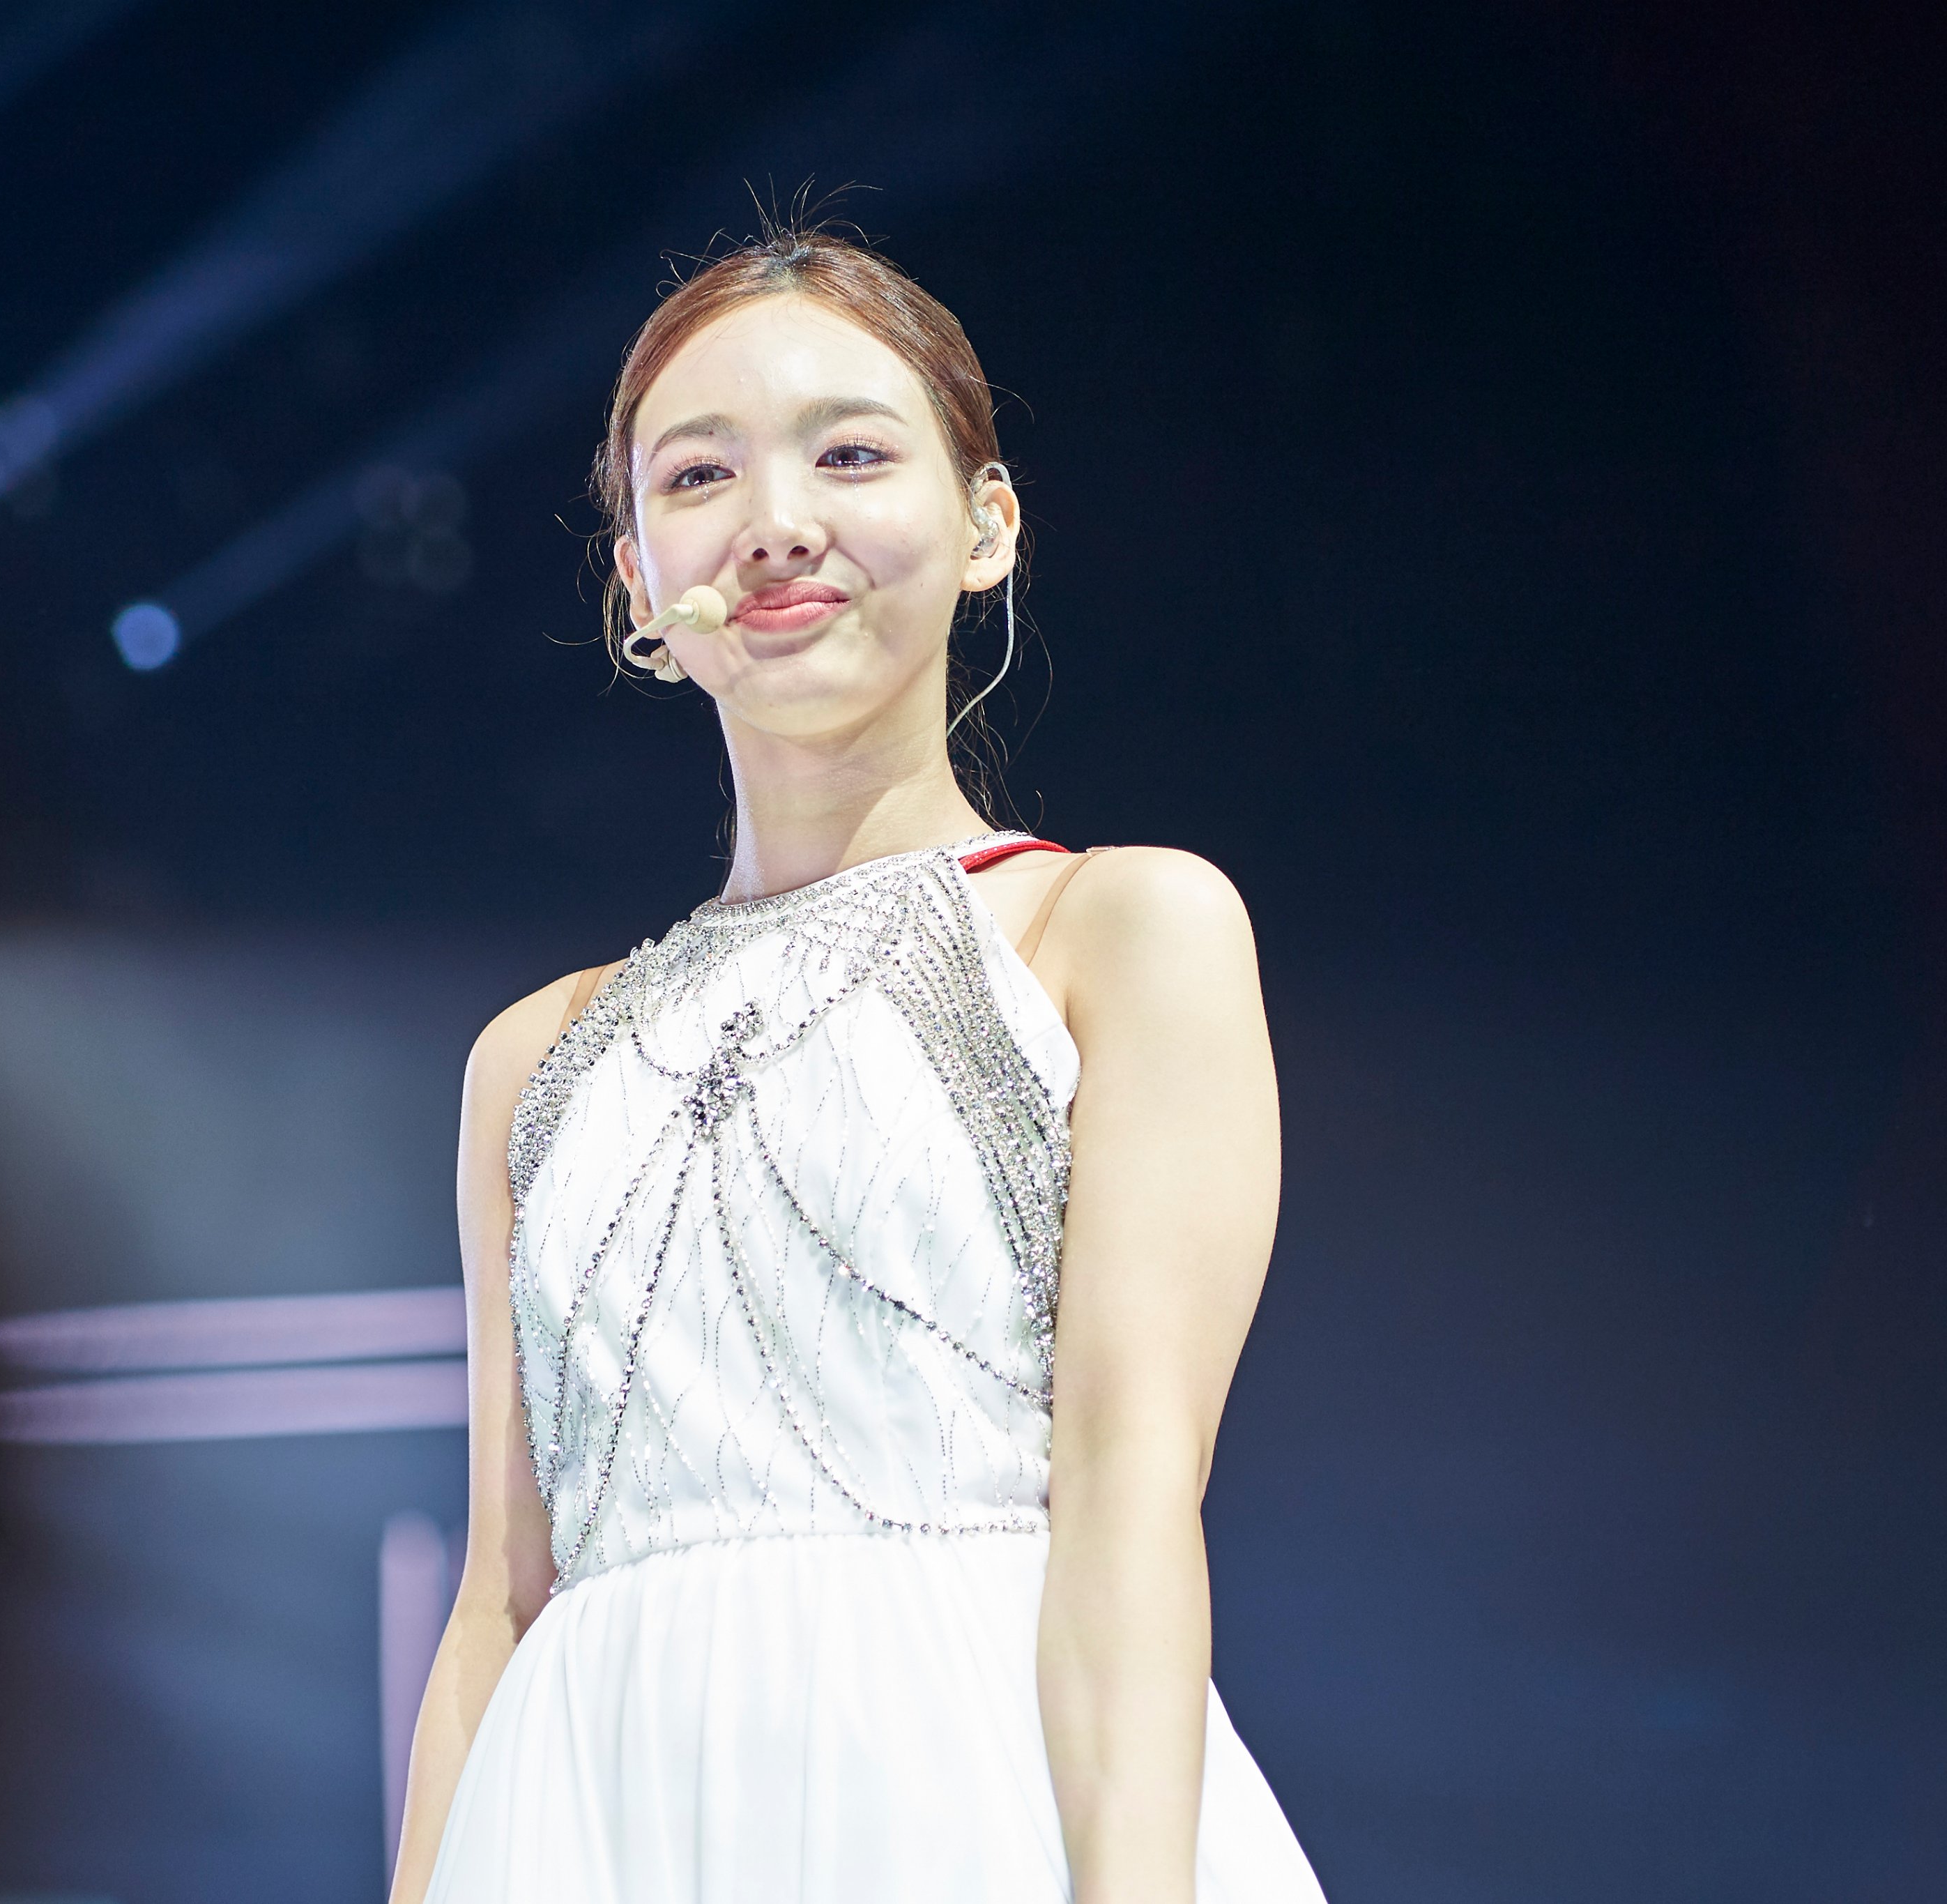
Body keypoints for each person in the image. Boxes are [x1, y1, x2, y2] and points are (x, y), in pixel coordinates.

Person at [389, 221, 1325, 1904]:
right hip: (584, 1823)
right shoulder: (534, 1057)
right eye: (699, 474)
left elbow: (1128, 1493)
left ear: (986, 526)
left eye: (849, 454)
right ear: (638, 586)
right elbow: (496, 1603)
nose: (774, 522)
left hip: (960, 1794)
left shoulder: (1114, 931)